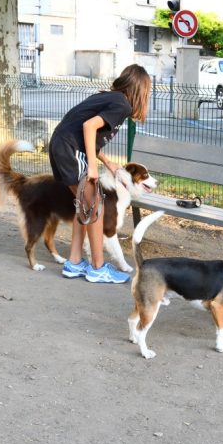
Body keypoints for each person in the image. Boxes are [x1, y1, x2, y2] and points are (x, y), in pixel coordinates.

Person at [49, 64, 151, 283]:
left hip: (63, 145)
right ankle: (98, 267)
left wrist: (106, 161)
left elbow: (85, 131)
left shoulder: (113, 98)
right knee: (95, 206)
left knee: (84, 205)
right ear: (140, 90)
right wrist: (93, 167)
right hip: (70, 149)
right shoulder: (121, 104)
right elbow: (88, 127)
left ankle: (74, 262)